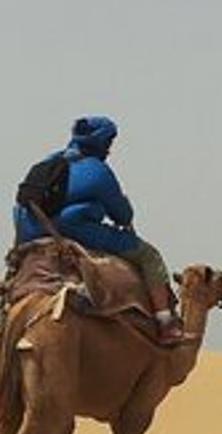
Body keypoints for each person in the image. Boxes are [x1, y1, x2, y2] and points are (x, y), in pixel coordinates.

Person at [12, 116, 184, 343]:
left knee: (15, 269)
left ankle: (3, 310)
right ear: (101, 142)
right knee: (150, 256)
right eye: (109, 142)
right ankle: (165, 322)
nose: (110, 149)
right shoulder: (98, 171)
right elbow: (122, 215)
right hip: (72, 230)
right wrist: (124, 208)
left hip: (29, 232)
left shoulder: (48, 161)